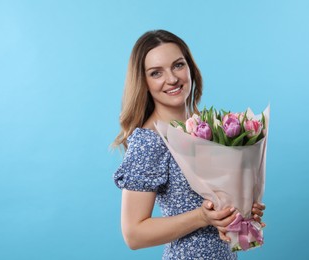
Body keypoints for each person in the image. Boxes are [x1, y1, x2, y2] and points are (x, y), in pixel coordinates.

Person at [112, 29, 266, 259]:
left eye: (178, 65)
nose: (172, 79)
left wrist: (241, 210)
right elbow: (133, 234)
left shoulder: (206, 127)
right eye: (156, 73)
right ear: (143, 82)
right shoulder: (149, 142)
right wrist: (201, 218)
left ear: (191, 68)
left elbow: (219, 202)